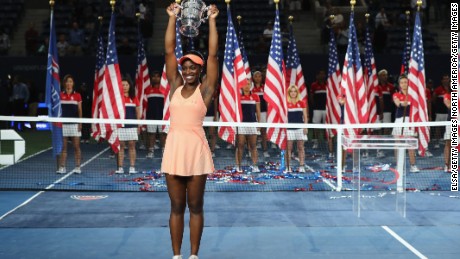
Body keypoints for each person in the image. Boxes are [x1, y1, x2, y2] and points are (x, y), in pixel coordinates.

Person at [162, 3, 219, 259]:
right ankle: (177, 255)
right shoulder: (175, 85)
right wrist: (172, 18)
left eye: (193, 67)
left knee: (195, 207)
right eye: (185, 67)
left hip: (196, 151)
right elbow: (168, 50)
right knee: (176, 206)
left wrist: (213, 20)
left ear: (200, 70)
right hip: (174, 150)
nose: (187, 71)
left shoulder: (205, 91)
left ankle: (193, 255)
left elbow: (214, 56)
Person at [391, 75, 419, 173]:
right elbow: (397, 103)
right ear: (399, 84)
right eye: (402, 82)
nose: (404, 84)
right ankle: (398, 165)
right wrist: (403, 103)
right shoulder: (396, 94)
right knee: (397, 144)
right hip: (399, 121)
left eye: (405, 82)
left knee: (410, 144)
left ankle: (413, 165)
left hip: (410, 121)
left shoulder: (412, 95)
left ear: (408, 83)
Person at [115, 77, 141, 174]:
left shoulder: (134, 98)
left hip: (132, 125)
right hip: (121, 126)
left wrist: (139, 125)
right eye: (122, 85)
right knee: (121, 146)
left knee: (131, 145)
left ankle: (132, 167)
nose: (124, 87)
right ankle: (120, 167)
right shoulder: (118, 98)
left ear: (130, 86)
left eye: (126, 85)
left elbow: (138, 112)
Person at [57, 75, 82, 174]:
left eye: (70, 81)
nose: (69, 83)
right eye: (67, 82)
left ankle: (78, 166)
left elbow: (80, 110)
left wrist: (80, 122)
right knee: (63, 147)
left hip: (74, 124)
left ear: (73, 83)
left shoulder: (77, 95)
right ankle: (62, 167)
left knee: (76, 146)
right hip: (63, 125)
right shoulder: (59, 95)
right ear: (64, 83)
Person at [236, 77, 261, 173]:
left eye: (248, 84)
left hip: (252, 124)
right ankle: (238, 166)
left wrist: (259, 123)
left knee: (253, 145)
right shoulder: (238, 96)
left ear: (251, 85)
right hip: (241, 124)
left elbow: (258, 112)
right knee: (240, 145)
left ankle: (255, 165)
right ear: (241, 86)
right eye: (245, 84)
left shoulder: (255, 96)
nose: (247, 86)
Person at [286, 85, 313, 173]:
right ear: (289, 93)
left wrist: (305, 127)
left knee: (301, 147)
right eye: (291, 91)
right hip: (289, 129)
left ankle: (301, 166)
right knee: (289, 148)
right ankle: (288, 167)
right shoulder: (286, 103)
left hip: (300, 129)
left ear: (297, 93)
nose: (293, 93)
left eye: (295, 91)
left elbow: (305, 116)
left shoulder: (302, 102)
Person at [144, 71, 165, 158]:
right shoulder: (148, 90)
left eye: (158, 76)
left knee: (163, 134)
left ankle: (164, 151)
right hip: (151, 116)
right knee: (151, 134)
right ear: (151, 78)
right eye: (154, 76)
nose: (155, 78)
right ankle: (151, 151)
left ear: (161, 78)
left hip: (162, 116)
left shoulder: (164, 89)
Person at [252, 71, 269, 158]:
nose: (258, 78)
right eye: (256, 76)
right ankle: (252, 151)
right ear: (253, 78)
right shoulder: (251, 88)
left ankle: (265, 150)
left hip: (263, 113)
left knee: (263, 132)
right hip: (252, 113)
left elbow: (267, 102)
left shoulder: (265, 88)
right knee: (253, 133)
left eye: (259, 76)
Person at [310, 70, 327, 149]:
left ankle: (326, 141)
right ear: (317, 76)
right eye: (320, 74)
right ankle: (316, 141)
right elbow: (311, 96)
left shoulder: (328, 84)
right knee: (316, 126)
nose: (322, 75)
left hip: (326, 109)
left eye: (323, 74)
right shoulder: (314, 85)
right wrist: (315, 105)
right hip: (317, 109)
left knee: (326, 126)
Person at [432, 74, 450, 149]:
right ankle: (436, 142)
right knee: (438, 128)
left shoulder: (453, 90)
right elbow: (433, 99)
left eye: (447, 79)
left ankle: (446, 141)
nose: (446, 80)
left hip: (449, 113)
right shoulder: (438, 89)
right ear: (442, 80)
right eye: (444, 79)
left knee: (447, 129)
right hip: (440, 112)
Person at [443, 89, 451, 172]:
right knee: (448, 143)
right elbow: (449, 105)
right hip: (451, 122)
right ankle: (447, 164)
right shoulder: (447, 95)